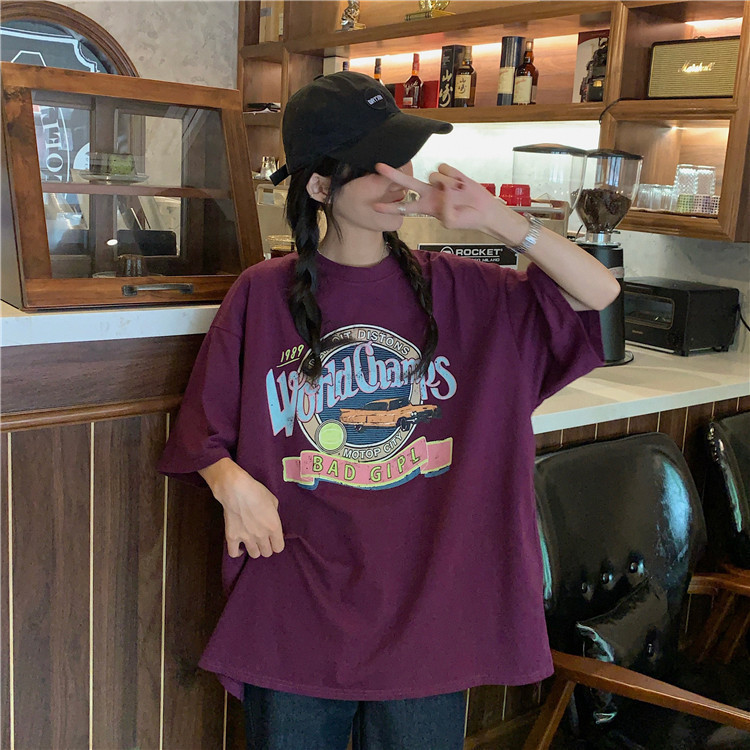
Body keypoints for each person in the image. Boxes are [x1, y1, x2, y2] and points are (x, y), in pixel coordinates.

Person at [157, 71, 620, 750]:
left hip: (429, 609)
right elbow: (203, 427)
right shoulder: (261, 294)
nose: (399, 181)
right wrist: (231, 485)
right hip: (296, 600)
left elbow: (599, 294)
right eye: (375, 167)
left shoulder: (465, 290)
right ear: (321, 187)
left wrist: (495, 216)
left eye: (401, 161)